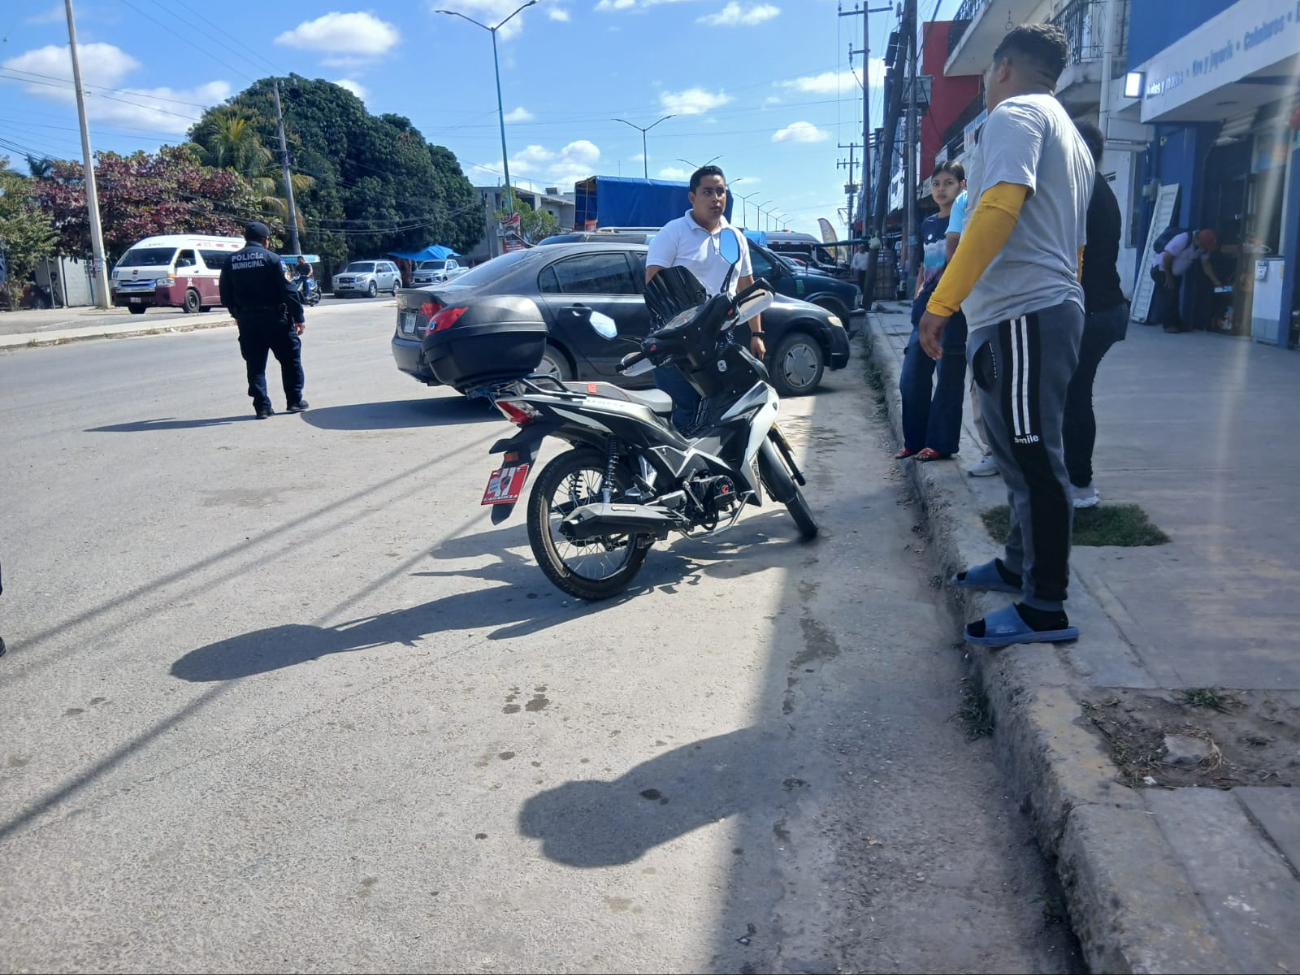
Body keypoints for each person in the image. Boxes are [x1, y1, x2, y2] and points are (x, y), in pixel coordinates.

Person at [917, 23, 1094, 647]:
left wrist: (942, 301)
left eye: (988, 75)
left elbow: (996, 209)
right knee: (1018, 452)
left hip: (1025, 315)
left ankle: (1044, 606)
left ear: (1003, 68)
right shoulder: (1070, 136)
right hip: (1032, 313)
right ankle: (1020, 565)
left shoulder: (1015, 115)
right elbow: (1075, 244)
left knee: (1032, 456)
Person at [645, 165, 765, 433]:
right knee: (684, 410)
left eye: (720, 192)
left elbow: (747, 287)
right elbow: (653, 281)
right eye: (708, 192)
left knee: (721, 409)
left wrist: (757, 334)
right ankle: (676, 460)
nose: (716, 198)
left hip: (719, 339)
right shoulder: (673, 232)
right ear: (692, 197)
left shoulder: (735, 237)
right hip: (676, 341)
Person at [1063, 120, 1127, 509]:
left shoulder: (1082, 192)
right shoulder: (1097, 188)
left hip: (1092, 310)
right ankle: (1073, 479)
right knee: (1072, 392)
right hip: (1103, 308)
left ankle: (1080, 485)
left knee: (1073, 393)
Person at [897, 161, 968, 462]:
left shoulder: (966, 221)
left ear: (962, 186)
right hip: (925, 309)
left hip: (954, 309)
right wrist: (918, 294)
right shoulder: (928, 223)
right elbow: (924, 266)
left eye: (948, 183)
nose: (941, 189)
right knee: (911, 378)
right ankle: (914, 441)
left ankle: (940, 444)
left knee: (948, 377)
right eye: (936, 183)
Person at [219, 221, 308, 419]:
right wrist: (299, 318)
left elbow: (225, 294)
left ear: (246, 239)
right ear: (266, 240)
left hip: (247, 320)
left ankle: (262, 407)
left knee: (255, 364)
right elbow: (289, 291)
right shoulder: (273, 259)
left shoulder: (230, 261)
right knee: (290, 359)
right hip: (275, 318)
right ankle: (294, 400)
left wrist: (237, 314)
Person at [945, 188, 1000, 478]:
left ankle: (1015, 452)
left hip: (1019, 299)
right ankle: (993, 450)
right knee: (983, 379)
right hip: (980, 306)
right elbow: (953, 248)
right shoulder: (965, 200)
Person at [1149, 227, 1221, 332]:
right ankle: (1168, 325)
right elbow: (1167, 258)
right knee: (1169, 297)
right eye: (1205, 246)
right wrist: (1168, 276)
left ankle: (1177, 324)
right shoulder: (1183, 239)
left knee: (1175, 298)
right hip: (1162, 270)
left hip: (1176, 274)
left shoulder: (1203, 248)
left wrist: (1215, 280)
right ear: (1199, 241)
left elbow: (1206, 265)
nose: (1205, 248)